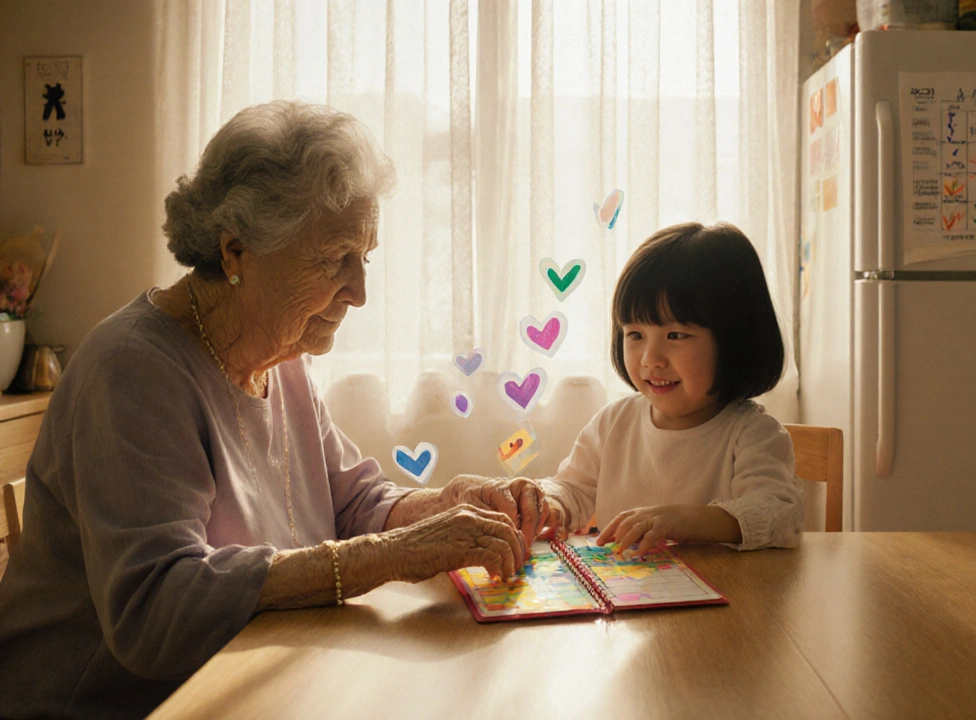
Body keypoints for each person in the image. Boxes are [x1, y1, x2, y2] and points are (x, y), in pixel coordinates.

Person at [0, 100, 549, 720]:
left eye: (364, 257)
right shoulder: (131, 370)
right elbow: (154, 613)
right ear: (235, 252)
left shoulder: (280, 354)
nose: (360, 292)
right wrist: (395, 554)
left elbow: (351, 504)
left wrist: (449, 505)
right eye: (334, 258)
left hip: (251, 684)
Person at [536, 222, 804, 556]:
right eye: (634, 335)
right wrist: (548, 504)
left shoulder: (752, 434)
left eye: (675, 335)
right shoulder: (612, 423)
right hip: (628, 599)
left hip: (727, 602)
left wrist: (685, 520)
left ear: (734, 340)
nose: (650, 359)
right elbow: (571, 489)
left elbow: (779, 516)